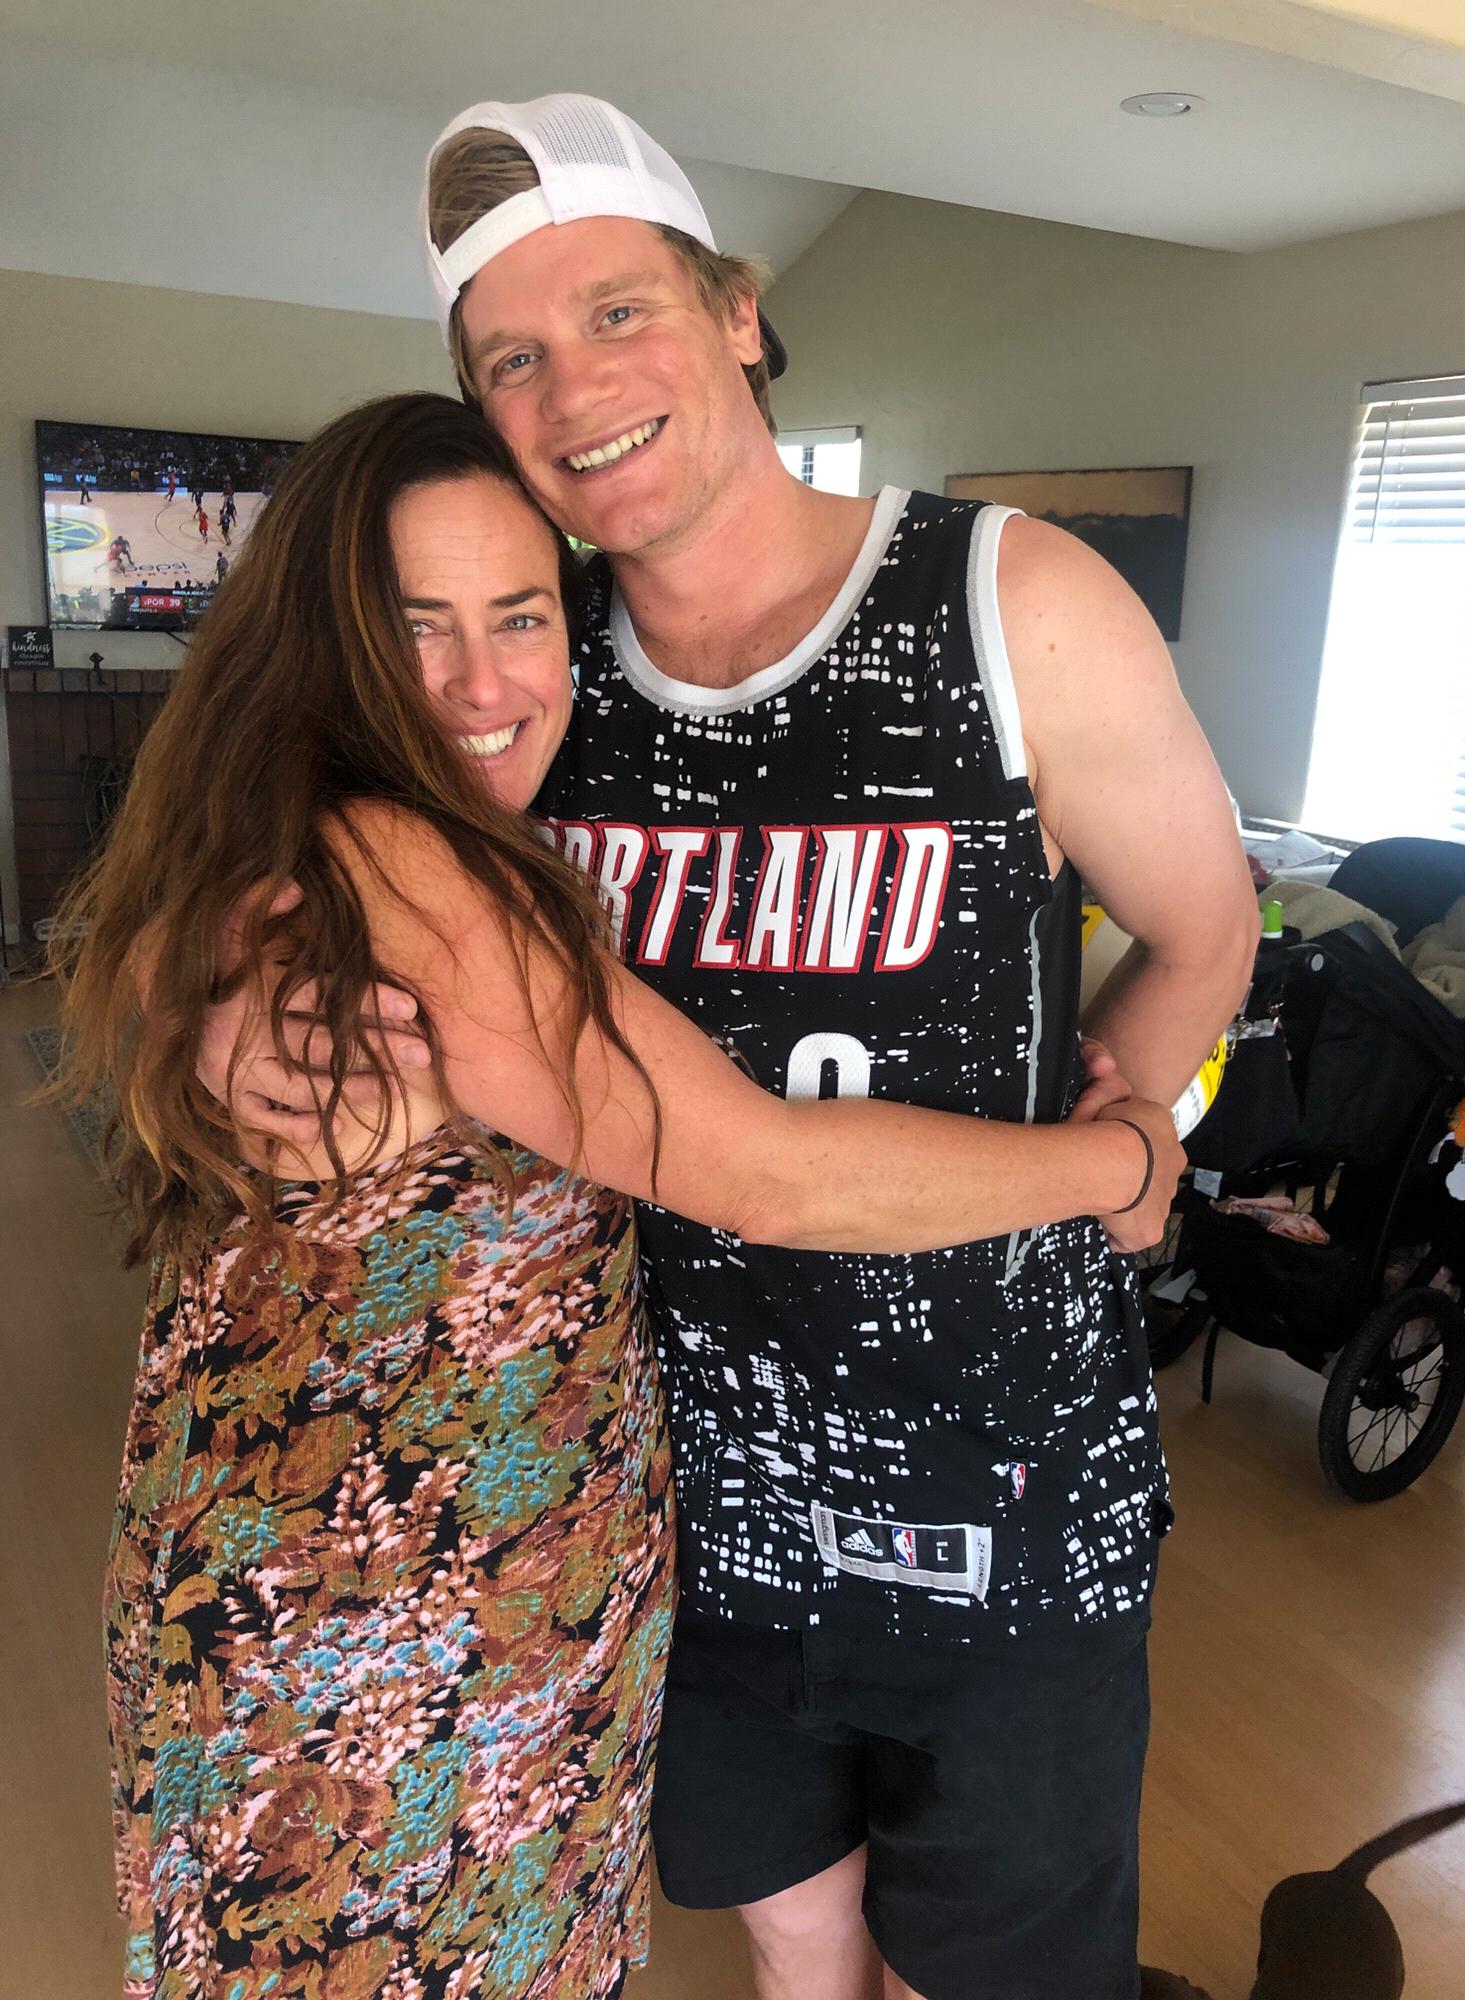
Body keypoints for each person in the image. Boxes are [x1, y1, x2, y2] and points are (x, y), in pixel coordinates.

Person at [206, 94, 1258, 2000]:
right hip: (688, 1497)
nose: (574, 386)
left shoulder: (1010, 604)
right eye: (511, 356)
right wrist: (228, 1011)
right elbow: (307, 831)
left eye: (618, 311)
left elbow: (1207, 929)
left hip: (1008, 1495)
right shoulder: (529, 674)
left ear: (740, 313)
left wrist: (1134, 1130)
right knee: (795, 1944)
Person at [56, 391, 1179, 2000]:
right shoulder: (405, 857)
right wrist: (1119, 1160)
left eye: (522, 616)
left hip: (434, 1578)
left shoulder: (297, 826)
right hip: (392, 1625)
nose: (483, 682)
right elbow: (758, 1170)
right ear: (325, 643)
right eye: (415, 625)